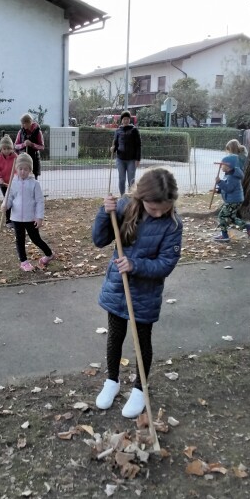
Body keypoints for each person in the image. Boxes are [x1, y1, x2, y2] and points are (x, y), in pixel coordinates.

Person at [92, 167, 182, 418]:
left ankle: (140, 389)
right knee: (115, 336)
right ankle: (112, 381)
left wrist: (135, 265)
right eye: (153, 208)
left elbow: (166, 264)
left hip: (145, 293)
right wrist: (104, 212)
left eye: (164, 208)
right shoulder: (124, 207)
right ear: (141, 197)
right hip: (117, 288)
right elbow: (99, 240)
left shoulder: (172, 225)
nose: (159, 213)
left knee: (142, 341)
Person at [1, 153, 55, 272]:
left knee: (36, 238)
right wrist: (5, 205)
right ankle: (24, 262)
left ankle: (49, 254)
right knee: (19, 240)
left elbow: (39, 201)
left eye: (26, 169)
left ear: (30, 170)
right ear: (16, 169)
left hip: (30, 218)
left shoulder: (34, 184)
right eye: (20, 168)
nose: (23, 171)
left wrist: (39, 217)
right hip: (16, 218)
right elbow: (9, 197)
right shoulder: (13, 183)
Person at [213, 155, 250, 242]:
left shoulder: (232, 177)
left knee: (222, 216)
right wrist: (218, 190)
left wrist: (219, 182)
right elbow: (227, 188)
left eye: (222, 165)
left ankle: (224, 236)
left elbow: (229, 188)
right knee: (231, 217)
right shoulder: (229, 174)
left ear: (228, 166)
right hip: (234, 200)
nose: (221, 167)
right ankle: (248, 227)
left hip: (233, 201)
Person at [110, 110, 141, 196]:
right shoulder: (118, 131)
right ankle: (123, 197)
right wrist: (113, 149)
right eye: (124, 119)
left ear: (129, 120)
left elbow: (138, 145)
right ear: (121, 120)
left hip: (131, 159)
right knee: (121, 179)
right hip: (120, 159)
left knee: (131, 180)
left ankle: (131, 197)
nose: (126, 120)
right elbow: (116, 144)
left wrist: (138, 159)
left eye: (127, 119)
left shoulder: (134, 130)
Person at [0, 135, 17, 229]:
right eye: (4, 149)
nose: (6, 151)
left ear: (12, 148)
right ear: (1, 149)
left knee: (15, 201)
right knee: (7, 201)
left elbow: (19, 168)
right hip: (4, 184)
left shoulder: (16, 157)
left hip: (14, 183)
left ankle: (15, 219)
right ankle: (8, 220)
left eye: (8, 148)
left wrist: (15, 178)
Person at [14, 113, 44, 178]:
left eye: (24, 123)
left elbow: (42, 147)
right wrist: (23, 145)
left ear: (30, 122)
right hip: (23, 159)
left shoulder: (37, 132)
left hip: (34, 160)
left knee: (33, 179)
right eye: (22, 123)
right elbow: (16, 145)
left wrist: (32, 144)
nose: (22, 125)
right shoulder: (20, 132)